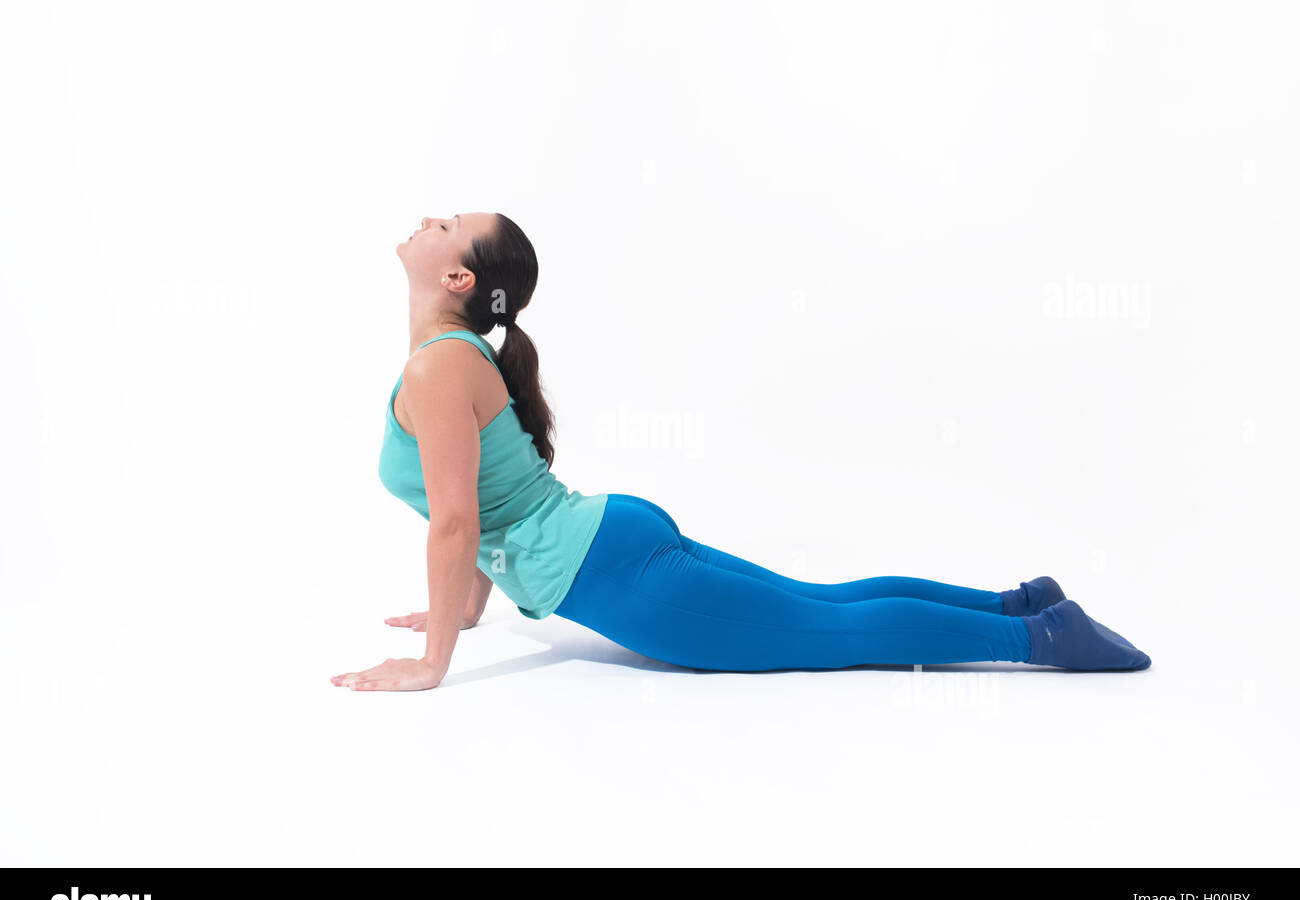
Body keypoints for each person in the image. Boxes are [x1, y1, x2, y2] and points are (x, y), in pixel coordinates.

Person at [330, 212, 1152, 692]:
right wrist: (464, 613)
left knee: (832, 632)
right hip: (613, 537)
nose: (432, 220)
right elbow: (476, 507)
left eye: (449, 227)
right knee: (826, 605)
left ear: (462, 281)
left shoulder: (439, 367)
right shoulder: (448, 363)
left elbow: (456, 522)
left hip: (613, 571)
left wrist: (431, 660)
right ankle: (1019, 602)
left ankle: (1041, 639)